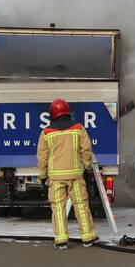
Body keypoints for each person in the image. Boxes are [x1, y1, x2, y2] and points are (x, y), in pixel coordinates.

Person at [36, 98, 98, 250]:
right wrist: (88, 167)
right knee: (81, 206)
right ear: (67, 111)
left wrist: (42, 176)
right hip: (76, 176)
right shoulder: (78, 128)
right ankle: (88, 238)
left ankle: (61, 240)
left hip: (56, 178)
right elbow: (86, 150)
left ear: (52, 113)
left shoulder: (46, 133)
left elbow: (42, 157)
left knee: (58, 208)